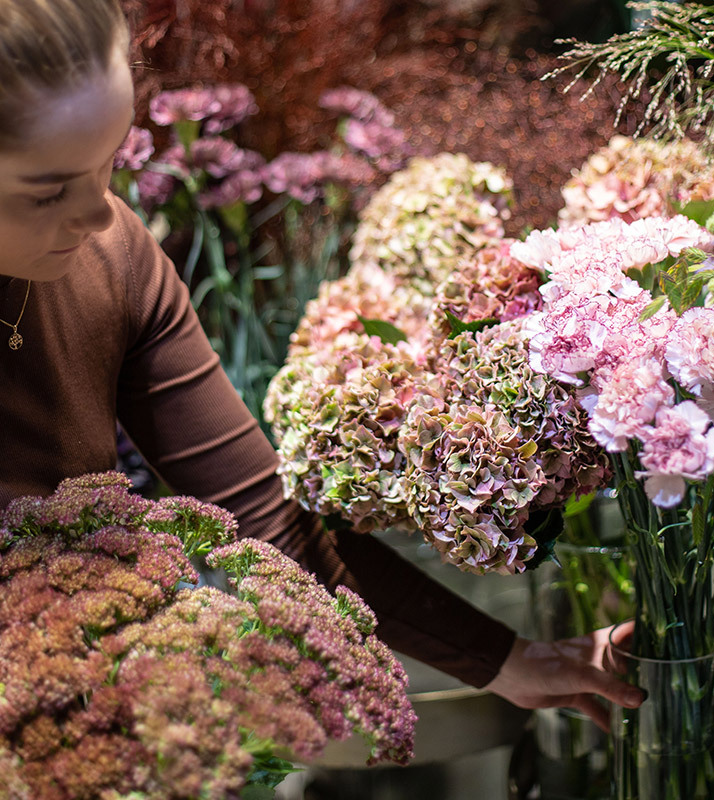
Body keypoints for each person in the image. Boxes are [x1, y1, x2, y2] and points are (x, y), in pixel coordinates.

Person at [0, 0, 643, 737]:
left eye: (110, 159)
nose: (95, 215)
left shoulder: (117, 259)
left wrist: (513, 662)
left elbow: (267, 523)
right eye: (49, 190)